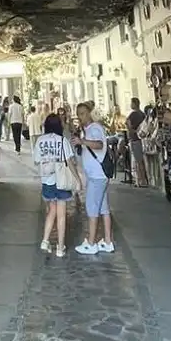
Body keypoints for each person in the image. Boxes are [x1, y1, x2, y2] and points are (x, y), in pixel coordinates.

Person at [32, 113, 82, 258]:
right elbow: (70, 162)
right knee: (61, 215)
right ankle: (60, 247)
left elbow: (36, 161)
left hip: (47, 180)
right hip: (61, 181)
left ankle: (45, 240)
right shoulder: (62, 141)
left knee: (51, 211)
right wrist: (77, 179)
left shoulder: (40, 140)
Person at [71, 102, 114, 254]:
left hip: (97, 176)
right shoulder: (86, 130)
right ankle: (108, 241)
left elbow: (99, 145)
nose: (80, 117)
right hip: (97, 175)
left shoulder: (95, 128)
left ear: (89, 113)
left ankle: (91, 242)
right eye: (78, 114)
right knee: (103, 208)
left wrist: (82, 141)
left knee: (92, 208)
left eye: (83, 113)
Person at [126, 97, 149, 187]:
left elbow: (128, 124)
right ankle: (142, 179)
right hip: (142, 139)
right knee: (141, 160)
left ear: (135, 104)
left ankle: (141, 180)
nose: (130, 105)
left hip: (135, 139)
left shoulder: (133, 114)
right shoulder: (143, 114)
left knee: (138, 160)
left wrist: (132, 131)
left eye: (131, 103)